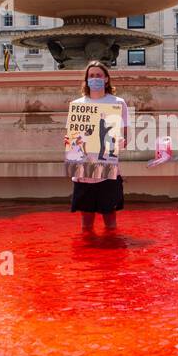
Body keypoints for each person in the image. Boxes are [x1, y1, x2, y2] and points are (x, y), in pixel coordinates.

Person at [69, 60, 127, 232]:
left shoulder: (118, 103)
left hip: (108, 169)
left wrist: (122, 142)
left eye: (99, 75)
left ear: (107, 79)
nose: (95, 79)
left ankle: (111, 255)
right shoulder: (77, 105)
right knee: (86, 223)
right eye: (91, 76)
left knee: (110, 222)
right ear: (86, 80)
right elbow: (73, 141)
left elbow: (125, 135)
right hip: (84, 171)